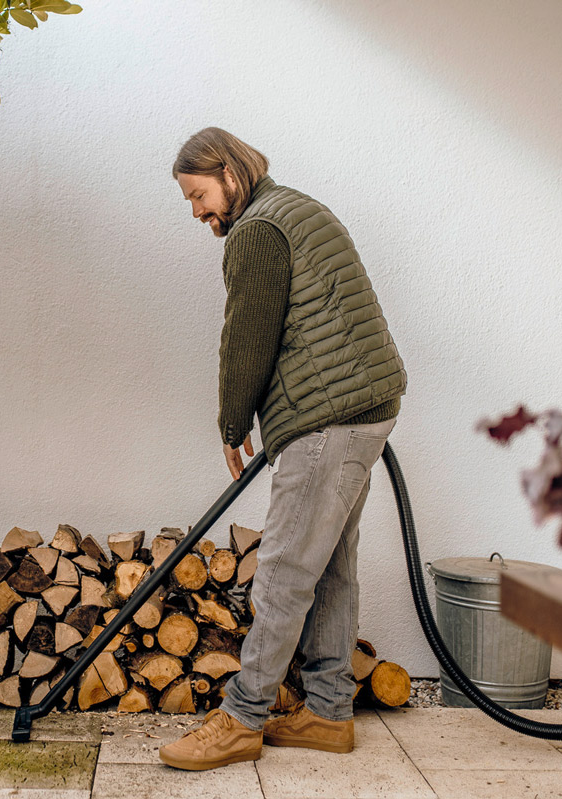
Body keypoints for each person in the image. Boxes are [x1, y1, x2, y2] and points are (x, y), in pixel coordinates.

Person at [159, 127, 407, 771]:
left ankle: (242, 719)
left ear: (227, 171)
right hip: (362, 409)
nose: (197, 212)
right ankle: (327, 711)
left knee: (285, 571)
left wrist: (231, 422)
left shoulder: (258, 230)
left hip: (328, 418)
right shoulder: (298, 207)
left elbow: (248, 333)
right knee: (328, 568)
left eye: (198, 194)